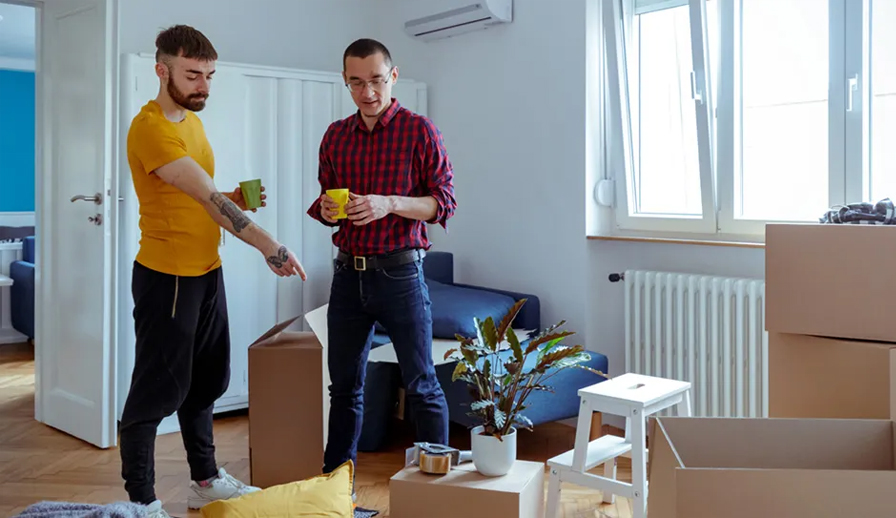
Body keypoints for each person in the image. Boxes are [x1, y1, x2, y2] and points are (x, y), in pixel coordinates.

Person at [120, 25, 306, 517]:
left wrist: (236, 199)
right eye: (192, 74)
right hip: (168, 277)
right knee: (156, 391)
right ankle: (141, 503)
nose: (203, 85)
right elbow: (205, 196)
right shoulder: (150, 127)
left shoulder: (191, 122)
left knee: (207, 380)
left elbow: (199, 192)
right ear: (162, 70)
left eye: (209, 75)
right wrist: (271, 245)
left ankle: (204, 481)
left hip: (205, 270)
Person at [307, 38, 457, 482]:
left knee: (423, 385)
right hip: (347, 275)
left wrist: (389, 203)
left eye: (375, 80)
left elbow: (442, 203)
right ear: (345, 82)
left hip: (401, 273)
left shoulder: (419, 131)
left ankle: (437, 494)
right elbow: (324, 200)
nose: (367, 92)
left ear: (392, 76)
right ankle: (334, 493)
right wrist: (328, 209)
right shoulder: (336, 136)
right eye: (356, 83)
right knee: (344, 390)